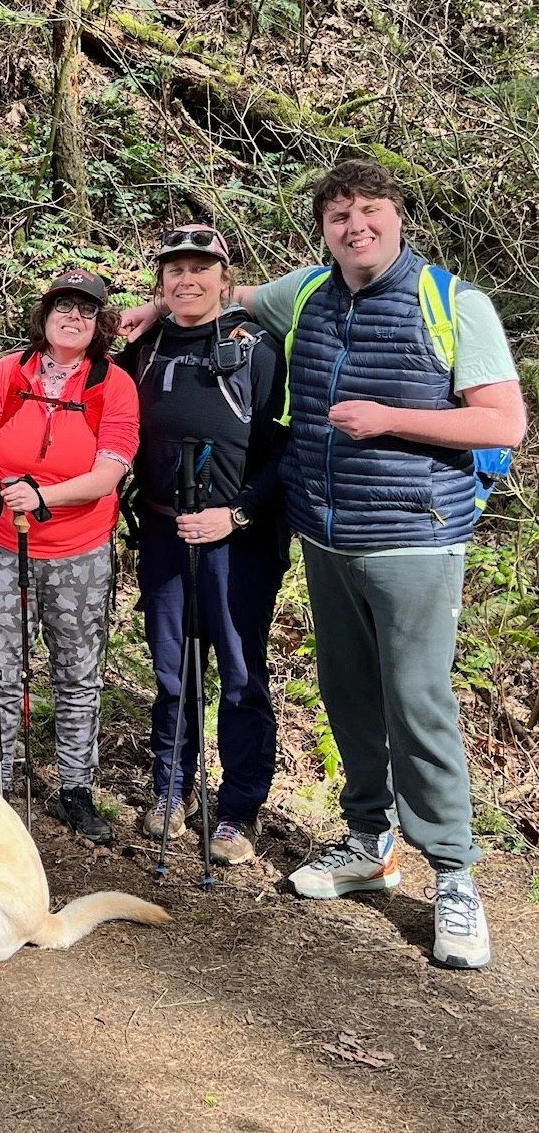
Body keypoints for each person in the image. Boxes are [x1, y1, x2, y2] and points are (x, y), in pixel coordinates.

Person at [121, 161, 527, 968]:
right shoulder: (307, 292)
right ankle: (370, 842)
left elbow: (503, 423)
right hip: (327, 537)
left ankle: (453, 876)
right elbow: (225, 293)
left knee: (418, 703)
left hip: (415, 536)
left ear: (398, 217)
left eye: (370, 210)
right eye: (340, 216)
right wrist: (154, 305)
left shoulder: (453, 303)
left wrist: (389, 419)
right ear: (324, 230)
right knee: (348, 697)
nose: (356, 226)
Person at [116, 227, 289, 865]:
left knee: (240, 675)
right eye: (174, 270)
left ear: (224, 276)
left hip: (238, 540)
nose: (186, 280)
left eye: (200, 268)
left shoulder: (257, 349)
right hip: (164, 531)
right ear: (160, 280)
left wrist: (236, 514)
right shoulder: (146, 346)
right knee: (173, 670)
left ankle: (239, 808)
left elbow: (287, 451)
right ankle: (172, 786)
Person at [0, 270, 140, 844]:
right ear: (44, 314)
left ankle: (75, 787)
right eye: (63, 306)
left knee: (78, 671)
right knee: (1, 667)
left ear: (100, 323)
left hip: (79, 552)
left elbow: (109, 474)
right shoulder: (8, 373)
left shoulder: (114, 385)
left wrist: (43, 497)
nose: (73, 317)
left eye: (86, 310)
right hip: (5, 544)